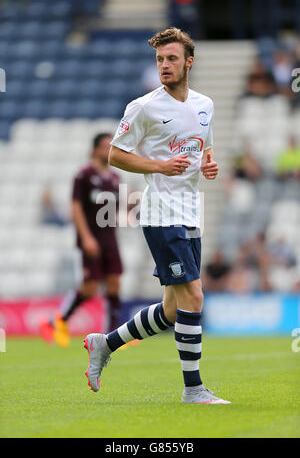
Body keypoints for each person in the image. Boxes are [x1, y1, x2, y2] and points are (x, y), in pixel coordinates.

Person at [83, 28, 231, 404]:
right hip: (161, 213)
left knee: (170, 309)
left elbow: (204, 150)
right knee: (194, 297)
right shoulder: (144, 106)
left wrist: (209, 166)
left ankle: (106, 342)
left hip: (190, 211)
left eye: (172, 59)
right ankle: (194, 389)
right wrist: (159, 166)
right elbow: (116, 154)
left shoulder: (205, 105)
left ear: (188, 62)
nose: (165, 65)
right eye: (160, 60)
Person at [39, 133, 123, 347]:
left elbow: (114, 211)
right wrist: (86, 237)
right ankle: (56, 321)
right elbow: (75, 207)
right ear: (94, 150)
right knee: (90, 287)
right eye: (104, 146)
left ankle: (112, 335)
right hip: (91, 238)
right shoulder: (83, 175)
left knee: (114, 283)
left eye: (110, 146)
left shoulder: (115, 177)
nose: (108, 150)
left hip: (110, 238)